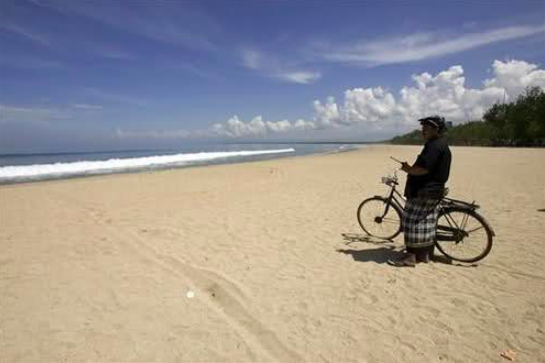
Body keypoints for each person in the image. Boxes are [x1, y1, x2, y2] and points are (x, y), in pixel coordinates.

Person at [388, 116, 452, 267]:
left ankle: (410, 257)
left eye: (426, 128)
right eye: (423, 128)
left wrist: (408, 169)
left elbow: (423, 169)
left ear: (436, 129)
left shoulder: (434, 146)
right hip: (434, 191)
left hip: (425, 192)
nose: (423, 130)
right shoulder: (440, 144)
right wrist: (410, 168)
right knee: (427, 223)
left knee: (410, 221)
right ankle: (424, 255)